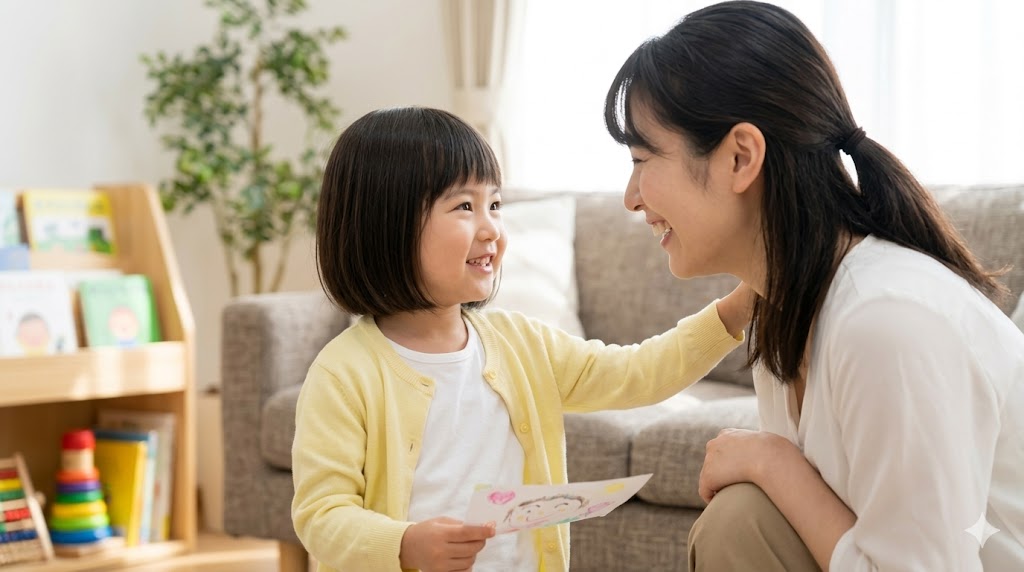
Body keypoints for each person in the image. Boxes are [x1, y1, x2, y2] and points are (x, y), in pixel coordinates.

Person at [604, 2, 1024, 571]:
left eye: (641, 158)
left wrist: (776, 464)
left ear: (740, 156)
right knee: (744, 518)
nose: (631, 197)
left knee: (744, 514)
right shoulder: (786, 308)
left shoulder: (887, 320)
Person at [291, 106, 755, 572]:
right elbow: (322, 515)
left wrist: (733, 311)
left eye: (494, 205)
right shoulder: (344, 373)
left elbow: (636, 375)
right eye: (464, 207)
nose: (492, 229)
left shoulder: (521, 344)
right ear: (386, 225)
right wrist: (403, 543)